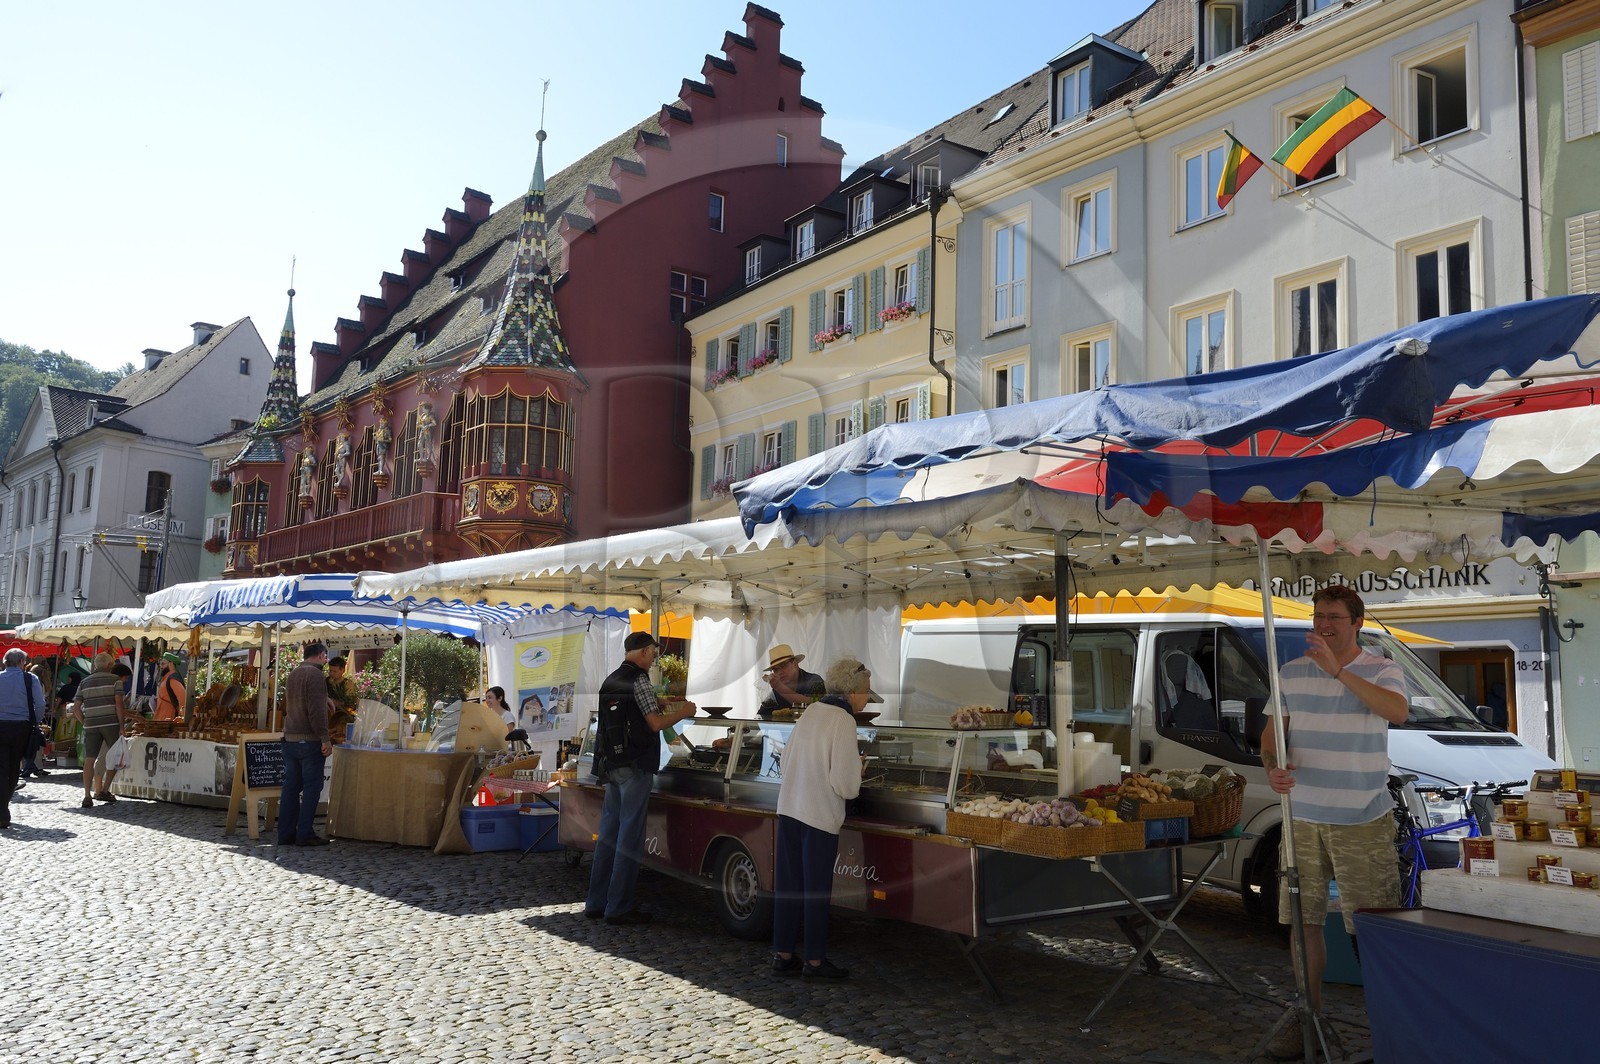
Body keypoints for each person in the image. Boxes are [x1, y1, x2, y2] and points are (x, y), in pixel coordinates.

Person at [1261, 586, 1406, 1059]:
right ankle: (1308, 1016)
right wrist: (1271, 767)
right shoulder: (1290, 673)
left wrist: (1339, 672)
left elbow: (1397, 712)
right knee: (1302, 922)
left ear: (1356, 623)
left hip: (1362, 818)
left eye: (1335, 617)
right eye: (1319, 615)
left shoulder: (1382, 669)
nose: (1324, 624)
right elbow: (1270, 739)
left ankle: (1391, 1025)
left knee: (1370, 926)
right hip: (1301, 816)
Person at [769, 657, 870, 980]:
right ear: (853, 691)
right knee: (815, 890)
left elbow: (785, 761)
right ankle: (814, 961)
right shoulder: (843, 720)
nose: (867, 697)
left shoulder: (812, 711)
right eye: (866, 690)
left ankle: (783, 954)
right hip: (818, 815)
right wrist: (859, 770)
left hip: (789, 809)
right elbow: (845, 784)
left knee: (790, 886)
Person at [584, 632, 695, 925]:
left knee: (608, 836)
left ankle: (595, 902)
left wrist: (661, 701)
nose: (654, 657)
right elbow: (655, 723)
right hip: (635, 766)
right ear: (645, 652)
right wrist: (684, 710)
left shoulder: (611, 680)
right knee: (629, 838)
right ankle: (618, 907)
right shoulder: (640, 680)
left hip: (612, 765)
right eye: (653, 652)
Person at [278, 643, 333, 847]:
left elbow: (290, 704)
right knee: (312, 787)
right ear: (321, 655)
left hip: (290, 737)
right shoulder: (316, 675)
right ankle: (305, 833)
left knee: (291, 787)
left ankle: (285, 834)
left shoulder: (294, 674)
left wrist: (325, 698)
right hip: (308, 740)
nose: (326, 661)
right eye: (325, 657)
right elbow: (316, 711)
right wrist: (325, 737)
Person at [74, 652, 131, 808]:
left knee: (89, 760)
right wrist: (121, 725)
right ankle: (105, 790)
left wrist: (85, 722)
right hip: (110, 723)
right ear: (109, 665)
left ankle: (87, 795)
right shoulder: (115, 680)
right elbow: (119, 704)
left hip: (91, 724)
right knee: (113, 756)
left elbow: (76, 708)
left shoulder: (84, 682)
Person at [1, 649, 49, 830]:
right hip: (21, 727)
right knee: (14, 768)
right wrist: (34, 722)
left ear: (5, 662)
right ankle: (3, 809)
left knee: (1, 767)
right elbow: (40, 704)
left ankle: (2, 811)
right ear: (22, 661)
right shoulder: (30, 679)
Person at [757, 644, 825, 719]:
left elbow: (816, 707)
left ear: (795, 664)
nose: (779, 672)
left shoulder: (815, 681)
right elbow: (761, 717)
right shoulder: (777, 691)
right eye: (775, 670)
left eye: (783, 666)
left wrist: (780, 687)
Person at [326, 656, 359, 743]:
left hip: (341, 720)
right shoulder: (325, 682)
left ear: (343, 670)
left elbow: (351, 705)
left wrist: (338, 703)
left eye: (334, 671)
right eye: (330, 671)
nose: (331, 673)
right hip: (327, 719)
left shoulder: (348, 685)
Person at [153, 652, 187, 721]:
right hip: (162, 718)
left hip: (168, 719)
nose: (161, 667)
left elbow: (183, 697)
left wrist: (181, 717)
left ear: (171, 664)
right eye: (160, 664)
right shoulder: (167, 677)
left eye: (163, 664)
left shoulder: (173, 678)